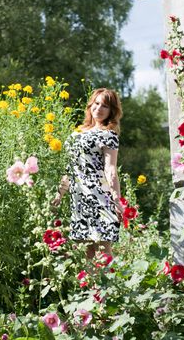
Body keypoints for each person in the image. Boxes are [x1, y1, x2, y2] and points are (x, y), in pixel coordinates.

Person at [52, 88, 123, 259]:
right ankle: (90, 286)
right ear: (91, 105)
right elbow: (70, 167)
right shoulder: (76, 134)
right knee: (86, 253)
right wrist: (59, 194)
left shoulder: (108, 135)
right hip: (79, 198)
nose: (99, 108)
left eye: (105, 106)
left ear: (111, 111)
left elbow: (110, 169)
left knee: (103, 251)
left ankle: (107, 286)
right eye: (96, 103)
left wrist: (116, 200)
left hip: (100, 197)